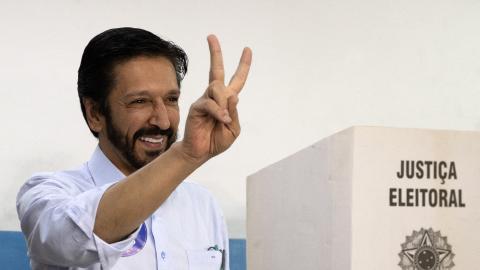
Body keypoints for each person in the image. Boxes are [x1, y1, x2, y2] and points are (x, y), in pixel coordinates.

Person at [16, 27, 252, 270]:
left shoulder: (203, 205)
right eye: (140, 101)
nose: (162, 121)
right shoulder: (47, 194)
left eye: (171, 99)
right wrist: (186, 155)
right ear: (95, 113)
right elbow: (74, 239)